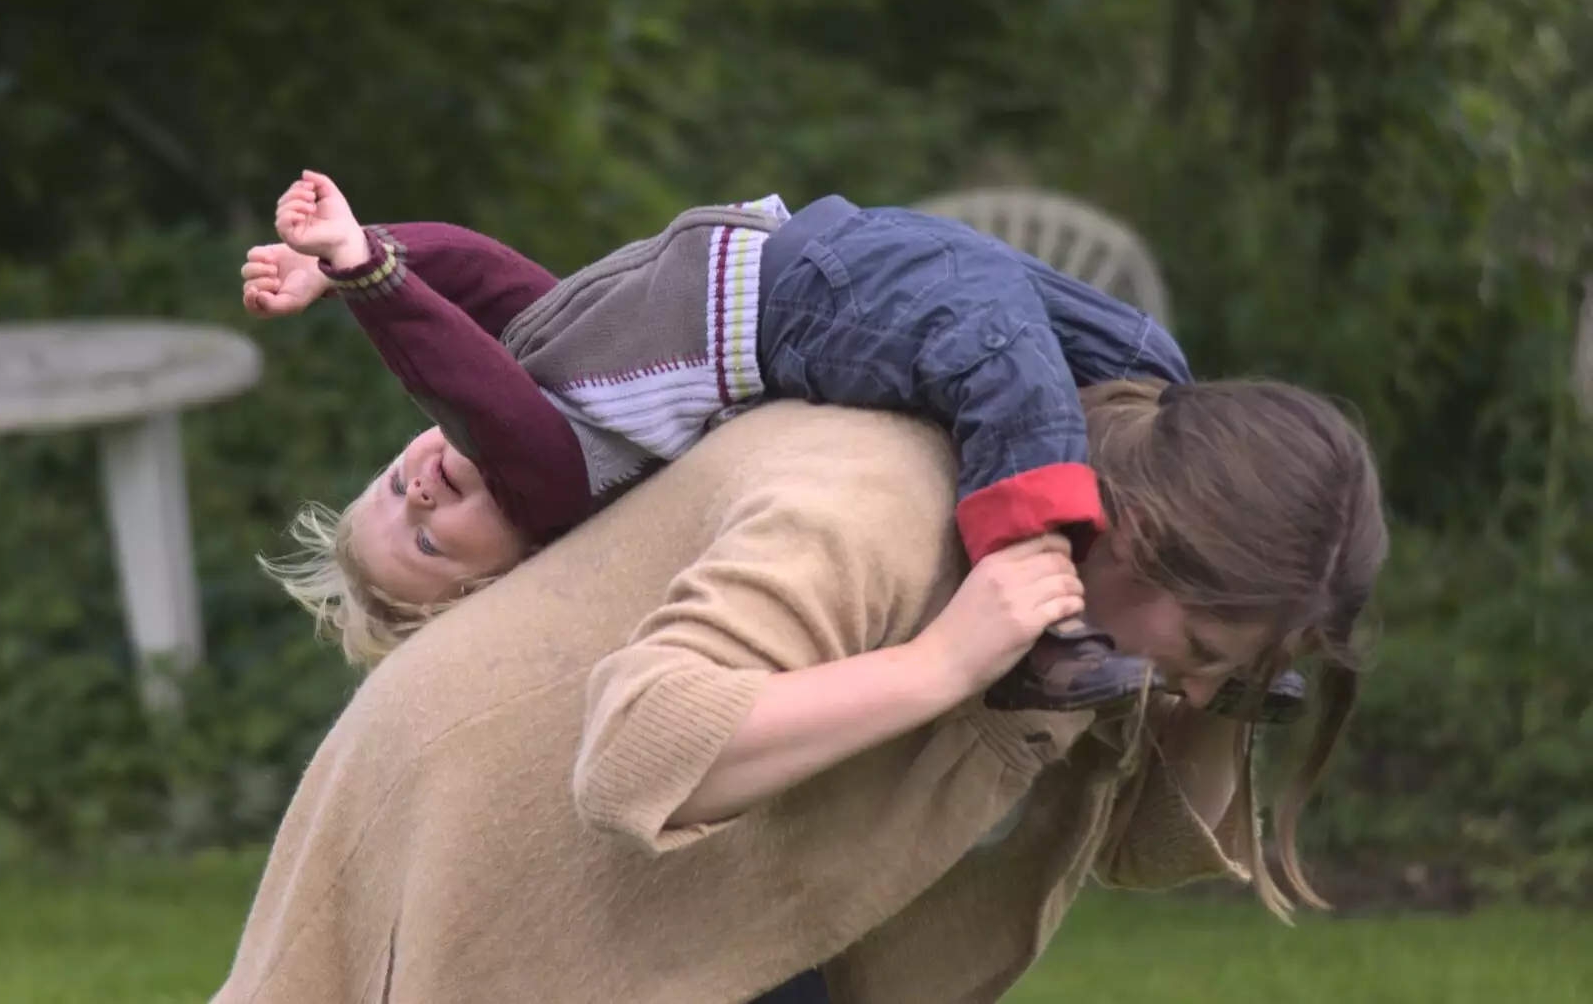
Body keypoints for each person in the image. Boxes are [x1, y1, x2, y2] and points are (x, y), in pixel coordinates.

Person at [212, 381, 1387, 1003]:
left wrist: (1217, 687)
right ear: (1152, 534)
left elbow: (1139, 848)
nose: (1199, 678)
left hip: (696, 891)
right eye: (1211, 642)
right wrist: (940, 665)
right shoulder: (874, 504)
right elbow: (639, 752)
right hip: (500, 827)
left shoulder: (1071, 570)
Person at [242, 172, 1304, 719]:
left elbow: (480, 278)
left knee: (1142, 357)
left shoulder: (553, 359)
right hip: (805, 311)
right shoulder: (561, 474)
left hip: (828, 252)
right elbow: (473, 394)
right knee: (997, 345)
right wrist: (376, 290)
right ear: (513, 567)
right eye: (432, 543)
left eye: (393, 488)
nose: (421, 494)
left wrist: (360, 256)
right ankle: (1045, 620)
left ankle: (1222, 595)